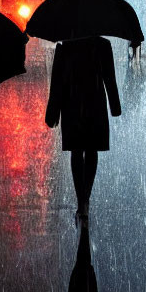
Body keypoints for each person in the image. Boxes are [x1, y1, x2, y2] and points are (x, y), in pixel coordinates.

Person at [45, 36, 121, 223]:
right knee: (92, 149)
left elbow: (57, 82)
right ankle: (86, 196)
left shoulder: (66, 46)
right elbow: (109, 78)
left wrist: (53, 111)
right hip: (95, 101)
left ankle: (81, 199)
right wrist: (115, 106)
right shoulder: (102, 44)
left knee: (77, 151)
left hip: (72, 101)